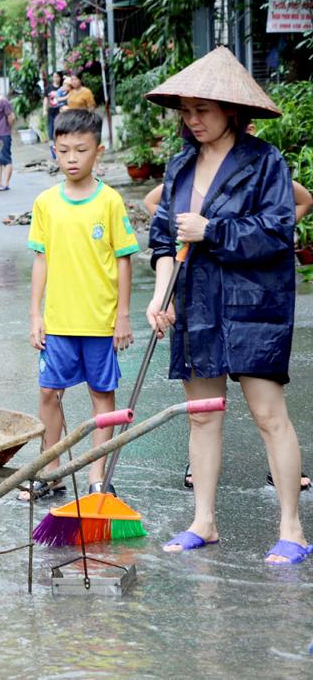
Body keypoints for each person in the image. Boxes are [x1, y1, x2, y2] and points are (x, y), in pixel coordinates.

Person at [144, 47, 309, 564]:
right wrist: (158, 296)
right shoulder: (178, 167)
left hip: (254, 305)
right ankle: (204, 521)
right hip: (194, 306)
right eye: (186, 111)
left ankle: (292, 529)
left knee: (268, 414)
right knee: (202, 417)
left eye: (203, 111)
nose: (192, 120)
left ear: (232, 111)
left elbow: (279, 232)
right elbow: (164, 241)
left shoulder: (266, 163)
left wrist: (212, 230)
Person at [21, 109, 139, 502]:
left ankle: (96, 476)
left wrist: (122, 316)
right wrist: (35, 314)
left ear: (98, 152)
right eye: (64, 150)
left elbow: (124, 259)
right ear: (54, 150)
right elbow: (41, 259)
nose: (72, 158)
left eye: (81, 150)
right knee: (48, 393)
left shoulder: (110, 201)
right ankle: (50, 470)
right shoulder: (46, 203)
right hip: (58, 320)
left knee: (101, 395)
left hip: (100, 321)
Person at [44, 71, 65, 142]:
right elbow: (46, 99)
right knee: (51, 126)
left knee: (60, 126)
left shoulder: (63, 87)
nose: (55, 79)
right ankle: (51, 141)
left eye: (57, 77)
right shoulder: (48, 88)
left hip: (61, 110)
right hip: (51, 110)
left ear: (60, 77)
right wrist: (44, 110)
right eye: (54, 77)